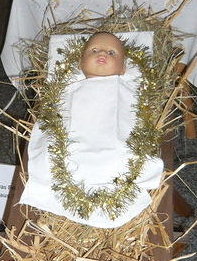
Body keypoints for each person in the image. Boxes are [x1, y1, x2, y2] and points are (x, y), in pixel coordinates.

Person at [19, 31, 164, 227]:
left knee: (122, 157)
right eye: (94, 50)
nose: (102, 53)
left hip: (114, 144)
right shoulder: (68, 88)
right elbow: (57, 116)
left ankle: (114, 185)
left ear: (123, 68)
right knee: (55, 155)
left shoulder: (127, 89)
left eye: (111, 53)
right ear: (80, 64)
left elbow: (134, 118)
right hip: (76, 141)